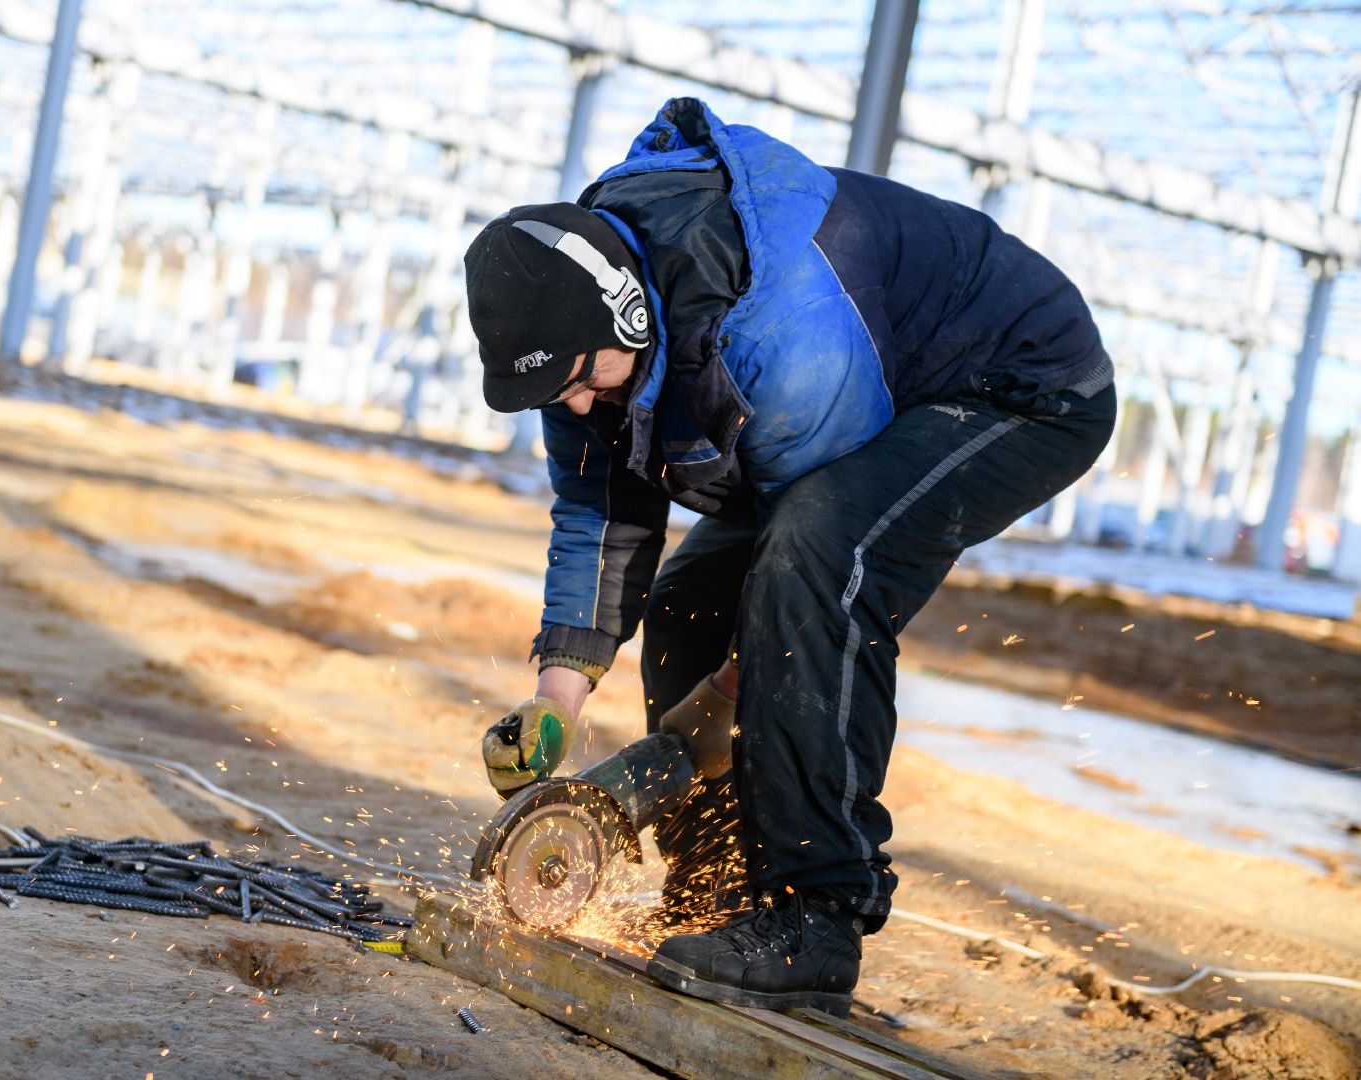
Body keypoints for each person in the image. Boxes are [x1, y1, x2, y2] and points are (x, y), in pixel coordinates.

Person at [462, 97, 1116, 1015]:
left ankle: (814, 915)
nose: (572, 407)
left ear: (629, 320)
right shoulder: (570, 323)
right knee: (692, 592)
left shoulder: (778, 330)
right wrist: (557, 702)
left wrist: (702, 722)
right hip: (862, 395)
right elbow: (600, 512)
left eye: (580, 381)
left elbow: (825, 566)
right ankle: (717, 892)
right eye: (552, 391)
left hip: (1018, 387)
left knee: (813, 559)